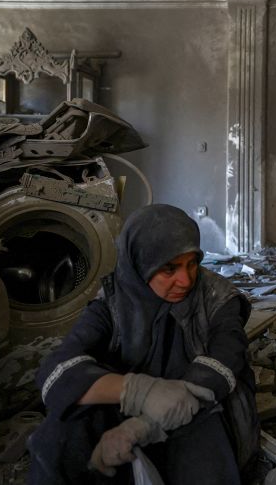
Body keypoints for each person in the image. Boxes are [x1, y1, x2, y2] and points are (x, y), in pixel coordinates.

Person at [28, 204, 259, 484]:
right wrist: (139, 392)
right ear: (139, 263)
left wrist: (145, 424)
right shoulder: (112, 302)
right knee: (60, 436)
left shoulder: (217, 297)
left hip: (200, 405)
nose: (185, 280)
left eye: (192, 263)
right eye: (169, 268)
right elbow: (56, 373)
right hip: (123, 411)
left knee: (204, 449)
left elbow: (226, 357)